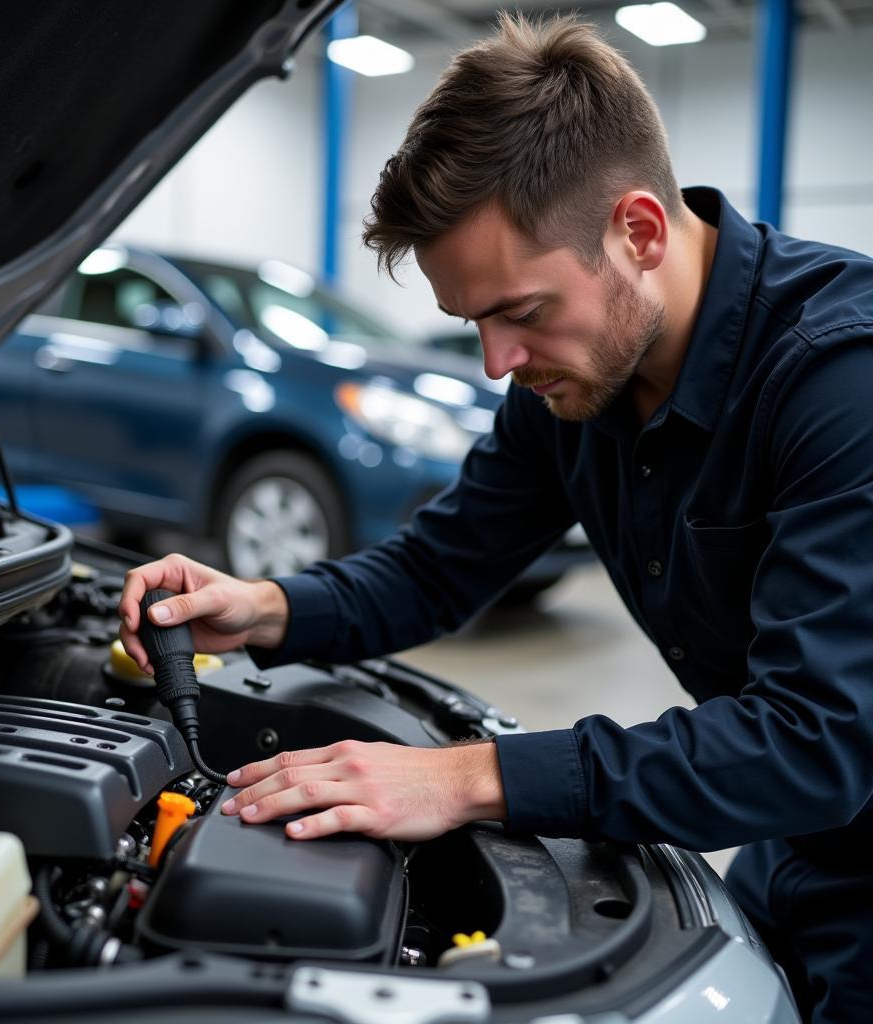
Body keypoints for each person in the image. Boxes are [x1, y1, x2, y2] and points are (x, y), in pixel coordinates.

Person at [120, 14, 873, 1020]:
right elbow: (440, 567)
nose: (495, 363)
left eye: (520, 311)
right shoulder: (571, 385)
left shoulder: (839, 380)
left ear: (638, 232)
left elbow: (811, 741)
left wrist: (468, 777)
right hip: (788, 845)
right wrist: (261, 607)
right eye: (472, 321)